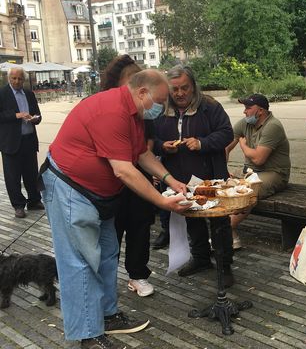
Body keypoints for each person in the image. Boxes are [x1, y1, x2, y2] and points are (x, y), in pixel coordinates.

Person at [40, 69, 191, 349]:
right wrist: (160, 201)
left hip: (100, 196)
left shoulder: (134, 114)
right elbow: (123, 170)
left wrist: (170, 180)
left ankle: (107, 315)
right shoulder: (111, 110)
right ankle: (87, 334)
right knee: (80, 262)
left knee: (108, 252)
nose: (162, 107)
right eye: (160, 100)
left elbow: (141, 154)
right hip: (71, 188)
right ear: (142, 92)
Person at [153, 65, 236, 286]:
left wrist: (203, 143)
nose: (180, 94)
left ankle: (224, 265)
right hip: (179, 179)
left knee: (219, 221)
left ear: (193, 86)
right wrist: (163, 146)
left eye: (185, 88)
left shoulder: (209, 106)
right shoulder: (162, 109)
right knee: (191, 219)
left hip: (210, 176)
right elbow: (151, 142)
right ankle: (200, 258)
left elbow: (227, 133)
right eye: (175, 89)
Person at [101, 55, 156, 298]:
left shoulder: (143, 106)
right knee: (112, 230)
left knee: (141, 224)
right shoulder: (105, 106)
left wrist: (156, 173)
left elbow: (146, 145)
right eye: (131, 80)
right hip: (112, 177)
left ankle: (137, 274)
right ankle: (106, 277)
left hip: (139, 173)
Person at [225, 93, 291, 249]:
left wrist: (243, 146)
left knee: (247, 190)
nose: (244, 111)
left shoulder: (273, 126)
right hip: (250, 172)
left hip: (274, 173)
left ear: (260, 111)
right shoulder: (245, 123)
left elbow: (258, 159)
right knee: (222, 184)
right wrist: (222, 169)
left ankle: (226, 230)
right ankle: (231, 235)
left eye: (248, 108)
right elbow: (225, 147)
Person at [0, 67, 44, 218]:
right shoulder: (2, 93)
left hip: (29, 141)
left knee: (31, 174)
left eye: (20, 79)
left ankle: (34, 201)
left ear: (24, 80)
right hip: (11, 143)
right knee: (13, 177)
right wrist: (16, 115)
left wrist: (35, 118)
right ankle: (18, 205)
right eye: (14, 78)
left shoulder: (29, 94)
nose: (17, 81)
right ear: (9, 78)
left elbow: (38, 115)